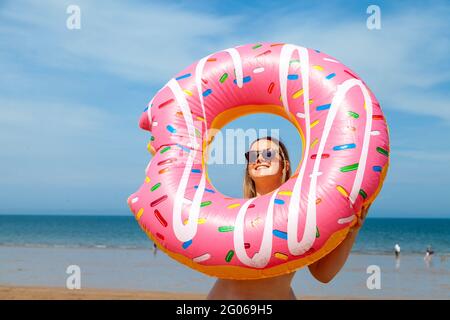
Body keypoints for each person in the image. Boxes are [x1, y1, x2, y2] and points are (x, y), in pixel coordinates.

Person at [207, 136, 371, 300]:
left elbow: (323, 274)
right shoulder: (232, 216)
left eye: (269, 154)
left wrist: (352, 231)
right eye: (252, 155)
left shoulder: (299, 216)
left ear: (285, 166)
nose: (258, 159)